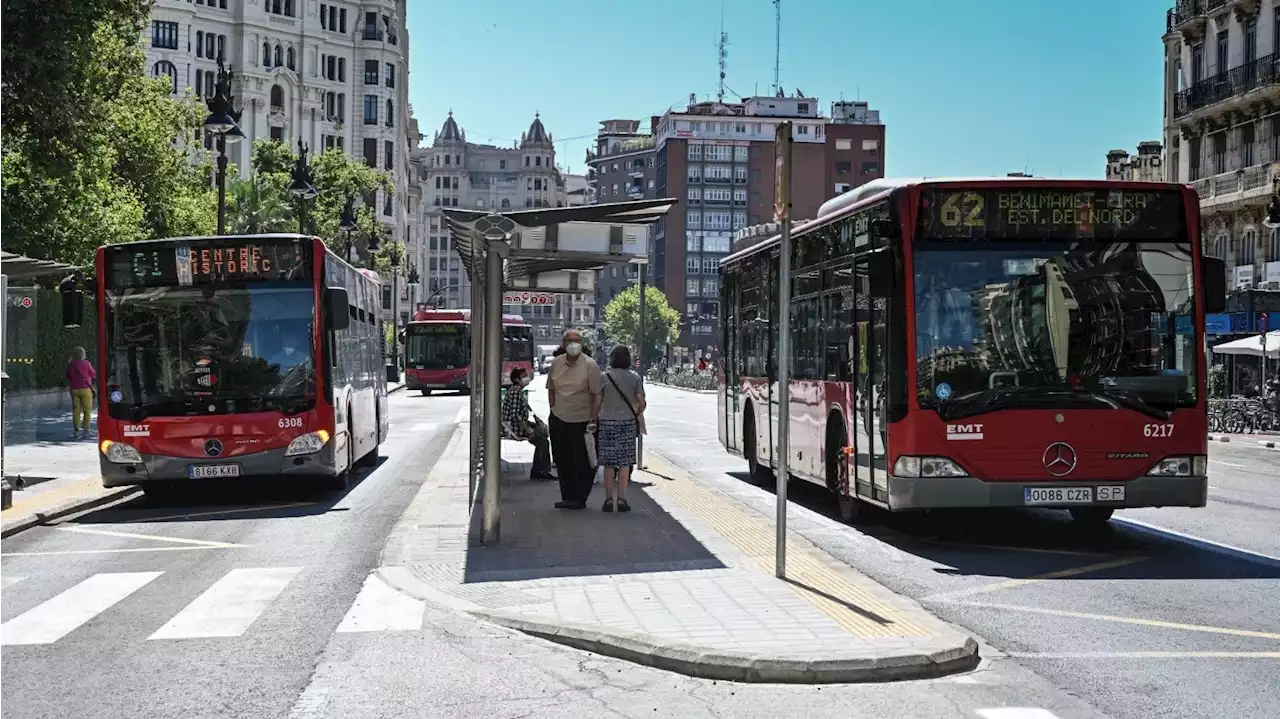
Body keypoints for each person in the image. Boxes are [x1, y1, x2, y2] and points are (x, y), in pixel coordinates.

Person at [545, 329, 601, 510]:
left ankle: (580, 498)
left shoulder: (590, 365)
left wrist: (593, 418)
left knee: (584, 462)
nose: (573, 343)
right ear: (564, 343)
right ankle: (567, 497)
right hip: (559, 417)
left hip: (583, 420)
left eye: (577, 340)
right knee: (562, 460)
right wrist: (553, 409)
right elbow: (551, 389)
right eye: (570, 340)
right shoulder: (556, 364)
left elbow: (595, 394)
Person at [598, 345, 646, 512]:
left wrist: (593, 417)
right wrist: (636, 414)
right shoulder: (634, 377)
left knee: (609, 463)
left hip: (607, 423)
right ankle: (622, 499)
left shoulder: (604, 377)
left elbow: (597, 402)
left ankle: (608, 500)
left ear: (612, 359)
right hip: (627, 423)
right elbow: (642, 402)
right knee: (624, 463)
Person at [501, 367, 556, 480]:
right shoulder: (515, 392)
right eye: (523, 376)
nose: (526, 378)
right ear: (517, 379)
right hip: (515, 427)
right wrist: (528, 430)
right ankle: (543, 472)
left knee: (542, 439)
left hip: (518, 424)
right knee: (543, 442)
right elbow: (516, 416)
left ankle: (538, 471)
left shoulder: (516, 391)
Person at [66, 346, 96, 440]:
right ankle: (86, 431)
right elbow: (93, 373)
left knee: (76, 410)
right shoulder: (86, 363)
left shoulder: (71, 364)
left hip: (74, 389)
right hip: (85, 389)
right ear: (83, 354)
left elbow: (68, 376)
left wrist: (69, 363)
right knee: (87, 411)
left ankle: (76, 430)